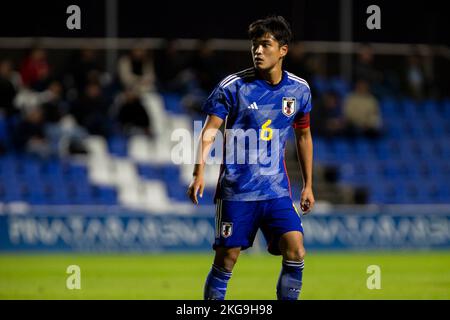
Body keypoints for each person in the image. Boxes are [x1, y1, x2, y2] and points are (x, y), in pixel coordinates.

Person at [187, 16, 315, 300]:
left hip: (276, 191)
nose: (258, 51)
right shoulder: (233, 87)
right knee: (226, 259)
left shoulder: (299, 90)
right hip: (237, 191)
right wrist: (198, 172)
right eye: (255, 45)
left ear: (282, 50)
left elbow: (304, 136)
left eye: (265, 45)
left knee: (296, 249)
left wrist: (307, 185)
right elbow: (209, 132)